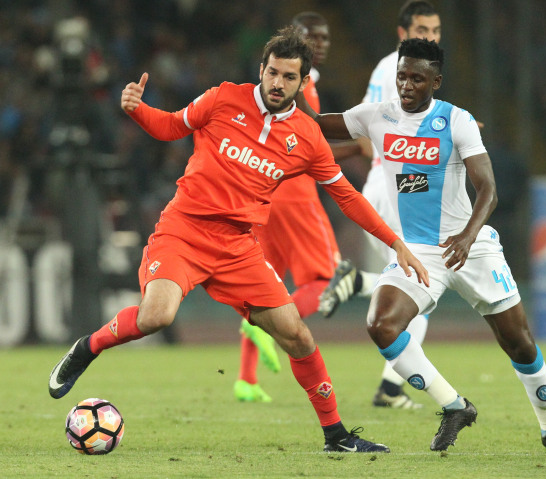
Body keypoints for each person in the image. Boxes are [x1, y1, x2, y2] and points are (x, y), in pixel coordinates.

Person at [48, 26, 431, 453]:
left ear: (303, 82)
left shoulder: (307, 136)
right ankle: (87, 347)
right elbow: (171, 126)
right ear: (261, 69)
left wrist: (396, 243)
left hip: (237, 246)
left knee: (298, 337)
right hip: (185, 230)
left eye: (288, 77)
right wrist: (138, 110)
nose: (277, 83)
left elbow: (346, 197)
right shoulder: (223, 97)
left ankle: (336, 436)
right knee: (157, 316)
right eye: (271, 73)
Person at [299, 37, 546, 452]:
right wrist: (297, 77)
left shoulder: (457, 121)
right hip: (417, 252)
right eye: (402, 76)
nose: (406, 85)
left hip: (470, 244)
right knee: (381, 325)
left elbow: (488, 188)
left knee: (518, 340)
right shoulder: (375, 115)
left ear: (436, 81)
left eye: (417, 78)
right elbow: (314, 122)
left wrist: (469, 235)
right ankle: (455, 407)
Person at [320, 0, 442, 411]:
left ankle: (390, 386)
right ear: (402, 32)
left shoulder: (387, 68)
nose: (431, 37)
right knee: (424, 286)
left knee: (415, 290)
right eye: (422, 29)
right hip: (398, 193)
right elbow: (392, 143)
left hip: (386, 188)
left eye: (436, 30)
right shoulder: (404, 72)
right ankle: (391, 387)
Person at [233, 12, 361, 403]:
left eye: (324, 38)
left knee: (264, 284)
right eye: (311, 37)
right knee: (326, 279)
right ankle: (265, 326)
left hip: (263, 195)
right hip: (297, 196)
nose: (320, 43)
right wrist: (359, 145)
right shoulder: (298, 89)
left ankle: (246, 380)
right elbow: (312, 145)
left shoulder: (279, 86)